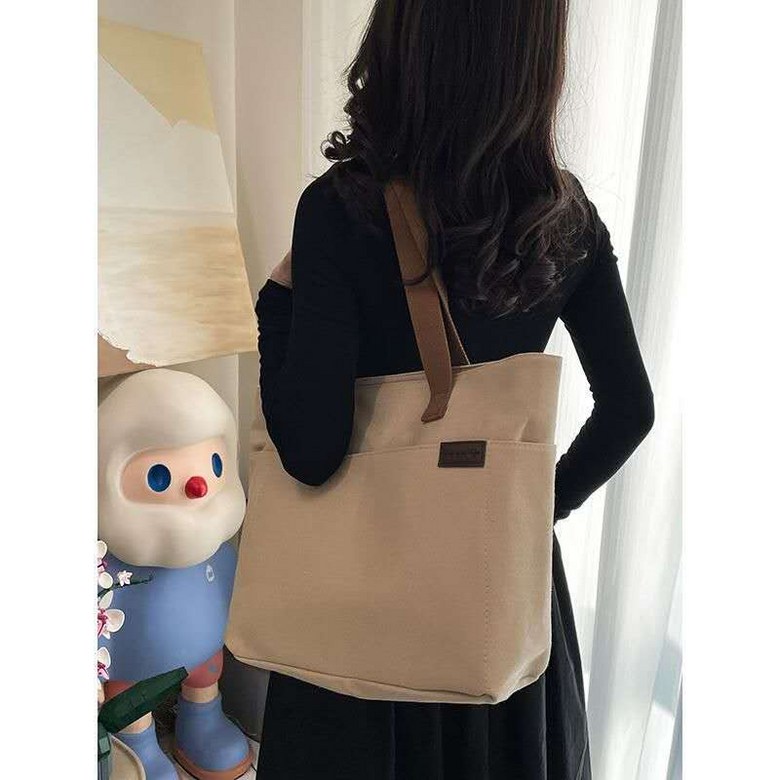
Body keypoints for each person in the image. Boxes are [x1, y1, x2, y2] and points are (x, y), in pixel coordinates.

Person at [254, 1, 654, 777]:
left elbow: (309, 452)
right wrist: (532, 507)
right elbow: (629, 411)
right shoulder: (565, 217)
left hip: (359, 618)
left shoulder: (340, 210)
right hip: (494, 593)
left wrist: (277, 307)